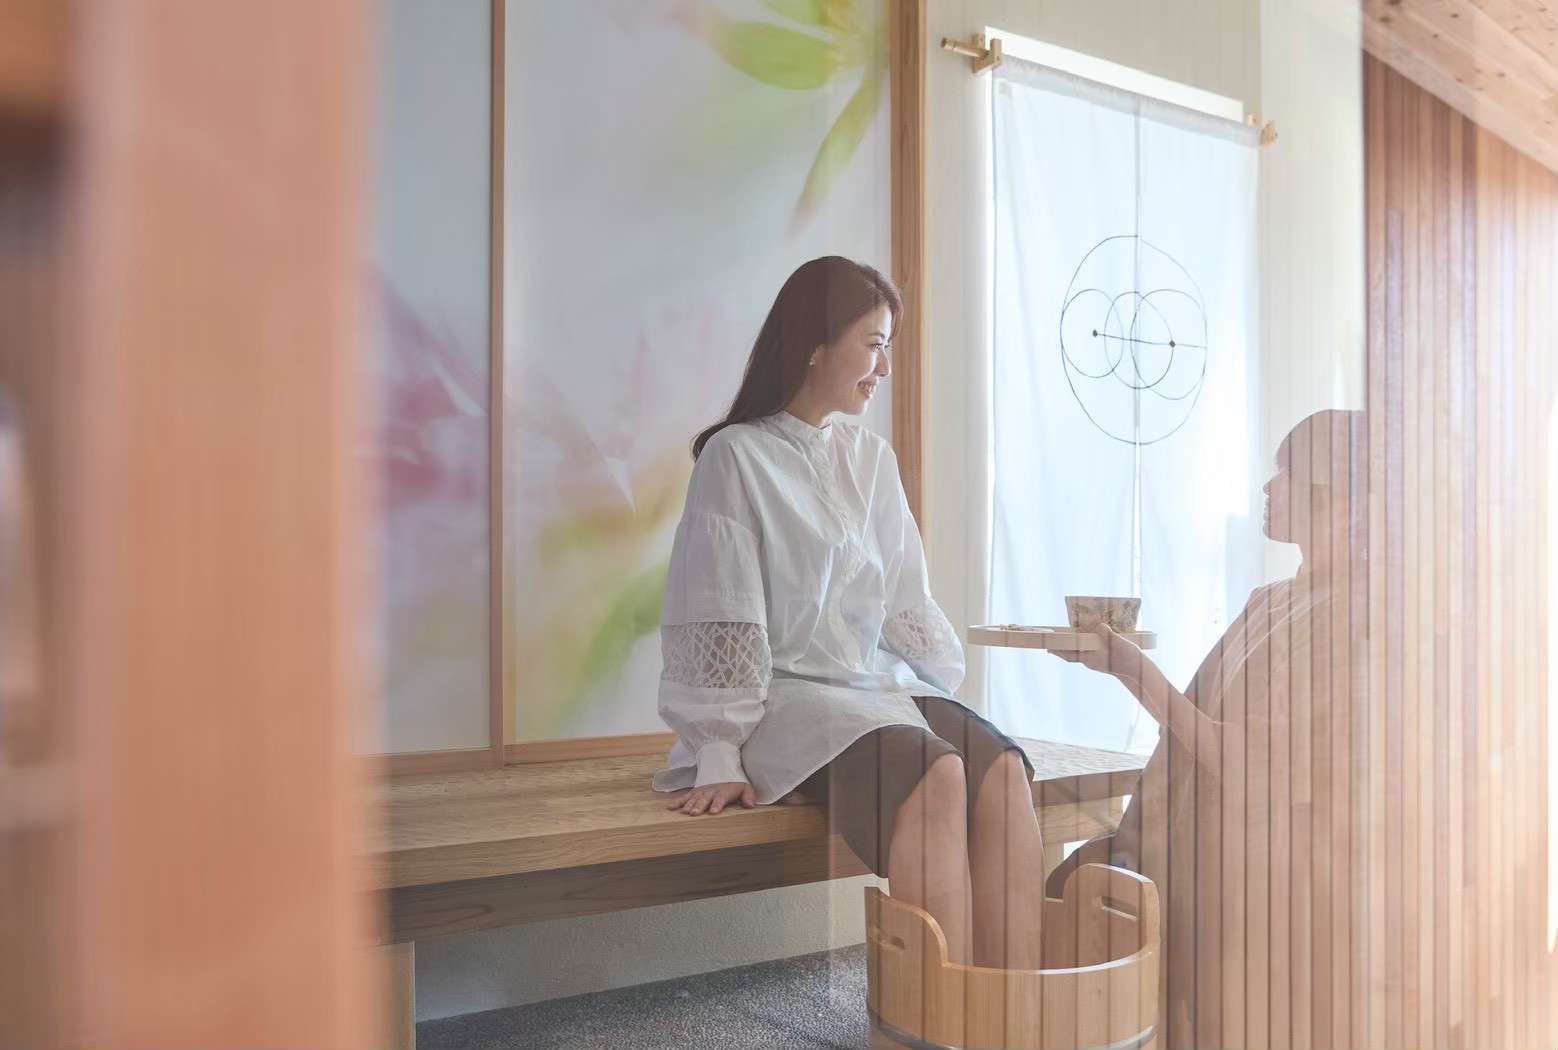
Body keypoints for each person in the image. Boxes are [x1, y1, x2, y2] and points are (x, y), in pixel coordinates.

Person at [652, 256, 1045, 969]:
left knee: (1003, 772)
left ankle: (1011, 1023)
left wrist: (935, 693)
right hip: (785, 699)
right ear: (815, 344)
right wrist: (717, 748)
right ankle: (934, 1032)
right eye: (874, 343)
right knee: (940, 775)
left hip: (872, 689)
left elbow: (903, 597)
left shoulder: (871, 459)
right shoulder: (735, 458)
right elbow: (722, 614)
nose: (884, 366)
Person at [1048, 408, 1366, 1049]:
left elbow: (1258, 762)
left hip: (1251, 863)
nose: (1270, 488)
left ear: (1339, 499)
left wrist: (1134, 670)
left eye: (1286, 473)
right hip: (1188, 834)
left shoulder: (1348, 617)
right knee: (1064, 887)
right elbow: (1191, 724)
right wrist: (1124, 669)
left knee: (1081, 895)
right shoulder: (1270, 599)